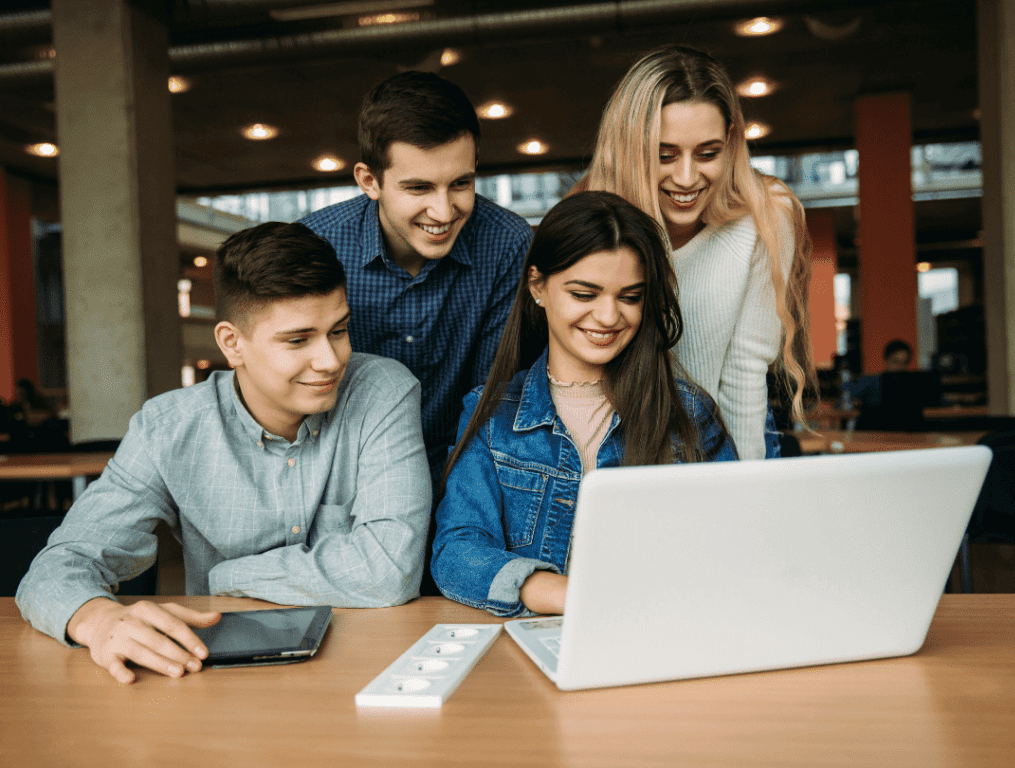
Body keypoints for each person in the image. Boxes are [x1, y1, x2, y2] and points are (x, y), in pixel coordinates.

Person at [17, 222, 431, 684]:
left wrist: (229, 575)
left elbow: (389, 570)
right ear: (232, 344)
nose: (332, 360)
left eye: (339, 330)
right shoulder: (168, 428)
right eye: (298, 340)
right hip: (219, 678)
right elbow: (57, 567)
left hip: (366, 662)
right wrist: (96, 619)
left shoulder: (382, 391)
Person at [431, 191, 737, 618]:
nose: (609, 316)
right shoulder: (492, 413)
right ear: (538, 286)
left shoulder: (689, 414)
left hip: (664, 632)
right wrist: (561, 593)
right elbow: (456, 552)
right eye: (584, 293)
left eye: (630, 297)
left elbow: (733, 546)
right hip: (541, 638)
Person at [576, 45, 816, 460]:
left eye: (708, 153)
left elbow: (745, 376)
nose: (686, 178)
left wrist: (741, 496)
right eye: (663, 155)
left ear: (731, 142)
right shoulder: (596, 216)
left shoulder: (766, 213)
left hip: (729, 444)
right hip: (619, 445)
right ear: (631, 148)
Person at [300, 71, 534, 493]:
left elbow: (492, 398)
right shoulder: (315, 244)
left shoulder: (509, 245)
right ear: (369, 180)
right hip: (339, 482)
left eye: (460, 184)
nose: (443, 212)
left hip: (463, 478)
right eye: (419, 188)